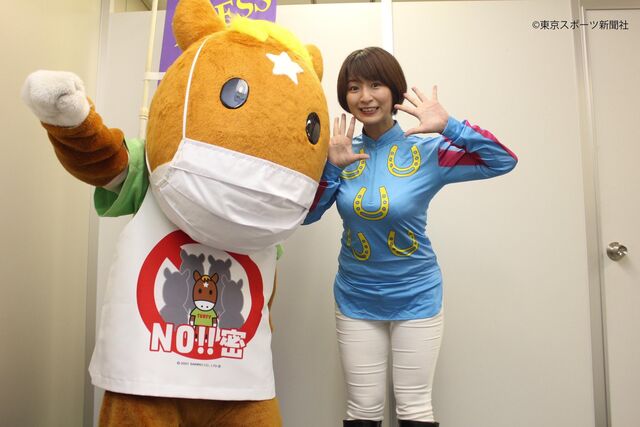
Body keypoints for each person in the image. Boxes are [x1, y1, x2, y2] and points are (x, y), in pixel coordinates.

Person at [303, 47, 518, 427]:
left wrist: (449, 126)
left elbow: (502, 160)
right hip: (356, 295)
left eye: (375, 84)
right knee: (362, 410)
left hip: (416, 293)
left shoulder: (428, 149)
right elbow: (308, 215)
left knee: (415, 409)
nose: (365, 97)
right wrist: (332, 169)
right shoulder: (340, 151)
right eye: (354, 87)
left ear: (394, 90)